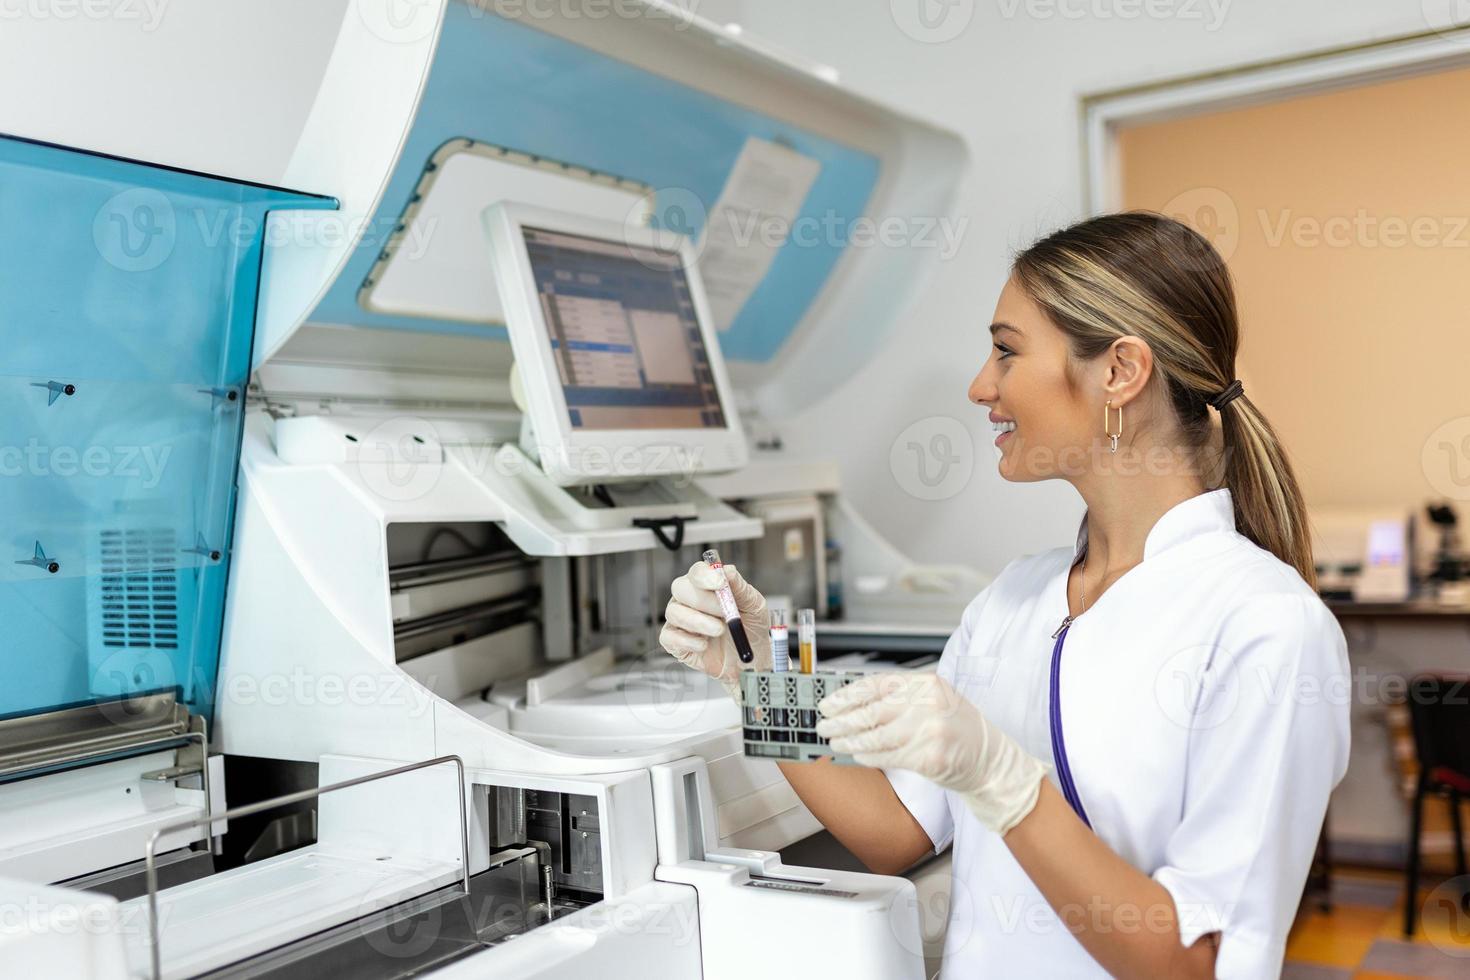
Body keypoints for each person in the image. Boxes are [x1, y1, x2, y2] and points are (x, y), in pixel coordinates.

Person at [658, 212, 1350, 978]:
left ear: (1120, 371)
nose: (980, 385)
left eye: (1006, 350)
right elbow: (895, 831)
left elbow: (1203, 965)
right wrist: (759, 679)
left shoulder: (1265, 628)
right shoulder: (1015, 599)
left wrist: (1007, 785)